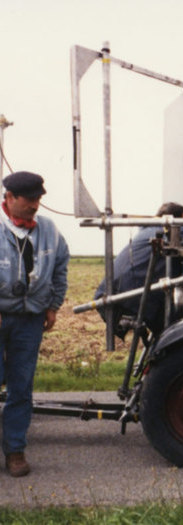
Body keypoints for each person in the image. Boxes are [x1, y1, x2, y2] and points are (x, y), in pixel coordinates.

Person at [0, 171, 69, 477]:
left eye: (38, 199)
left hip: (30, 321)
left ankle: (15, 450)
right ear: (10, 198)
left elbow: (61, 267)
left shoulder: (50, 231)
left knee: (21, 386)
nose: (35, 206)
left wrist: (53, 306)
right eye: (29, 199)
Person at [94, 202, 183, 335]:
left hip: (113, 295)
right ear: (174, 220)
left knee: (171, 327)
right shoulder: (164, 230)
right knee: (179, 329)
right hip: (125, 299)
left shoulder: (147, 230)